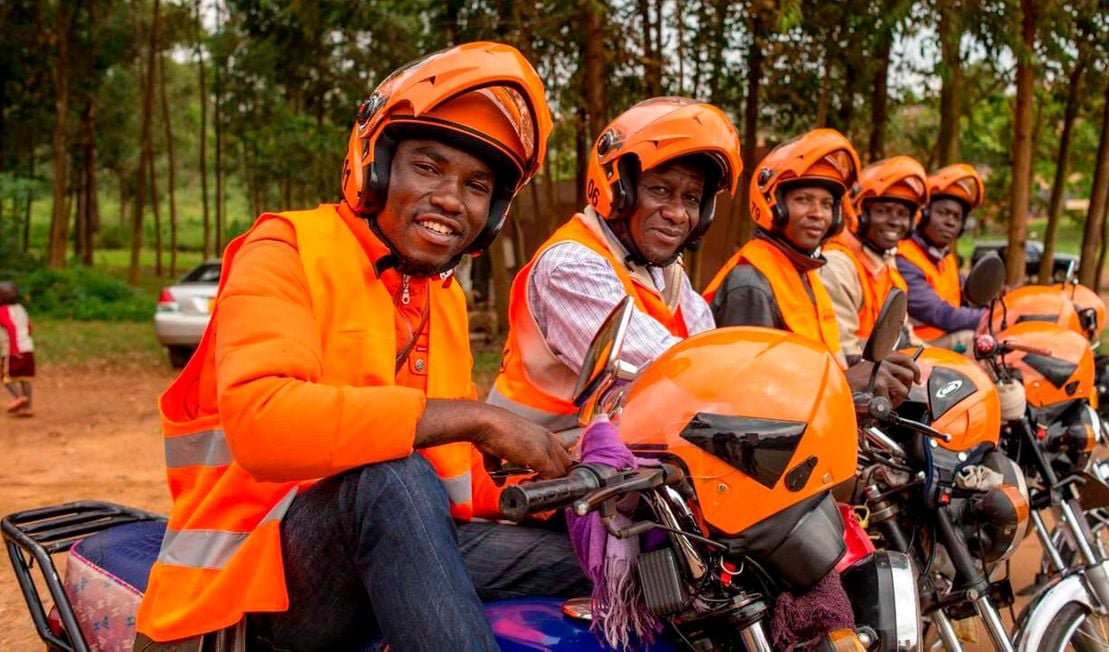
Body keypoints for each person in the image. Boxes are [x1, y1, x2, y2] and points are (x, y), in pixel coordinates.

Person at [135, 43, 588, 651]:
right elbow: (263, 424)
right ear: (375, 166)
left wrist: (563, 468)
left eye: (476, 184)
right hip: (246, 582)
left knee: (596, 559)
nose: (453, 198)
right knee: (389, 477)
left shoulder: (440, 298)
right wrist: (479, 418)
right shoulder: (286, 250)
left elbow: (455, 480)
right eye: (428, 167)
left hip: (395, 541)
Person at [487, 97, 741, 433]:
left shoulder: (665, 276)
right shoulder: (571, 267)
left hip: (606, 467)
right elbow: (670, 374)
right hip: (533, 472)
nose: (678, 214)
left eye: (692, 199)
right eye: (661, 190)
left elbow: (715, 363)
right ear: (618, 190)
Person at [703, 130, 919, 403]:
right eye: (804, 200)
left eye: (827, 204)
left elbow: (821, 359)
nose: (818, 213)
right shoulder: (751, 282)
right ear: (775, 206)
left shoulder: (804, 274)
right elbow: (749, 394)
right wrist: (844, 382)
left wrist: (874, 366)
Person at [820, 156, 927, 357]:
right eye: (883, 211)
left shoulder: (887, 264)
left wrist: (946, 363)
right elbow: (843, 352)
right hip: (854, 380)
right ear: (861, 214)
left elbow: (908, 337)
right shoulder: (838, 265)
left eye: (902, 213)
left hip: (883, 373)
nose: (894, 221)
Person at [896, 163, 987, 351]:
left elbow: (967, 292)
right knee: (974, 339)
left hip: (942, 337)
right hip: (916, 345)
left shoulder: (945, 257)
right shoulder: (905, 257)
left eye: (956, 217)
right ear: (924, 214)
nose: (950, 222)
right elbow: (940, 314)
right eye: (943, 213)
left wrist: (1001, 301)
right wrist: (992, 316)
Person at [0, 281, 34, 417]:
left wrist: (14, 349)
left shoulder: (2, 311)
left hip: (12, 349)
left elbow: (11, 327)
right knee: (25, 378)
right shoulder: (21, 308)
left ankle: (19, 398)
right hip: (27, 348)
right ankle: (28, 407)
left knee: (4, 376)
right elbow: (29, 326)